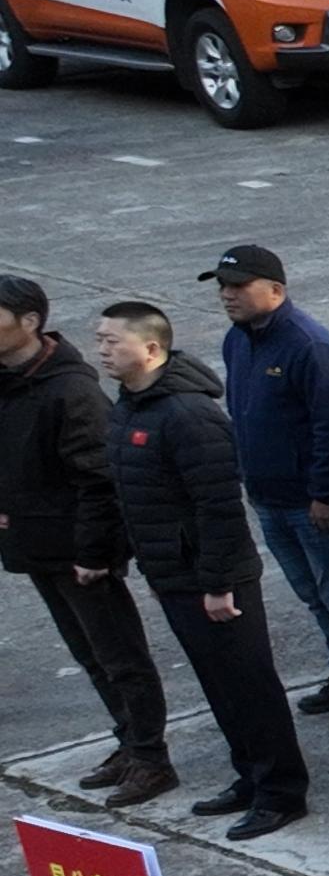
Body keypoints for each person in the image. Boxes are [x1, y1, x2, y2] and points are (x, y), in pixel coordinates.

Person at [94, 298, 306, 835]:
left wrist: (218, 584)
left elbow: (218, 506)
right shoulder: (131, 406)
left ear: (150, 347)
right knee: (221, 687)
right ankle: (251, 776)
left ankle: (280, 792)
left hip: (212, 581)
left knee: (249, 686)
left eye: (111, 341)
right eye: (99, 340)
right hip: (172, 575)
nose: (101, 350)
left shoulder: (187, 415)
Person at [204, 241, 329, 726]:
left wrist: (327, 493)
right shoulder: (239, 338)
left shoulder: (307, 343)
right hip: (270, 497)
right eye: (223, 287)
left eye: (238, 286)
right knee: (313, 593)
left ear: (275, 289)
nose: (228, 295)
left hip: (314, 501)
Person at [0, 272, 171, 802]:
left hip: (79, 553)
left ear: (29, 323)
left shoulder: (70, 390)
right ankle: (128, 740)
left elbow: (100, 481)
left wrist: (95, 554)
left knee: (121, 656)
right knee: (90, 655)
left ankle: (151, 757)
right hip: (36, 547)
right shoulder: (8, 382)